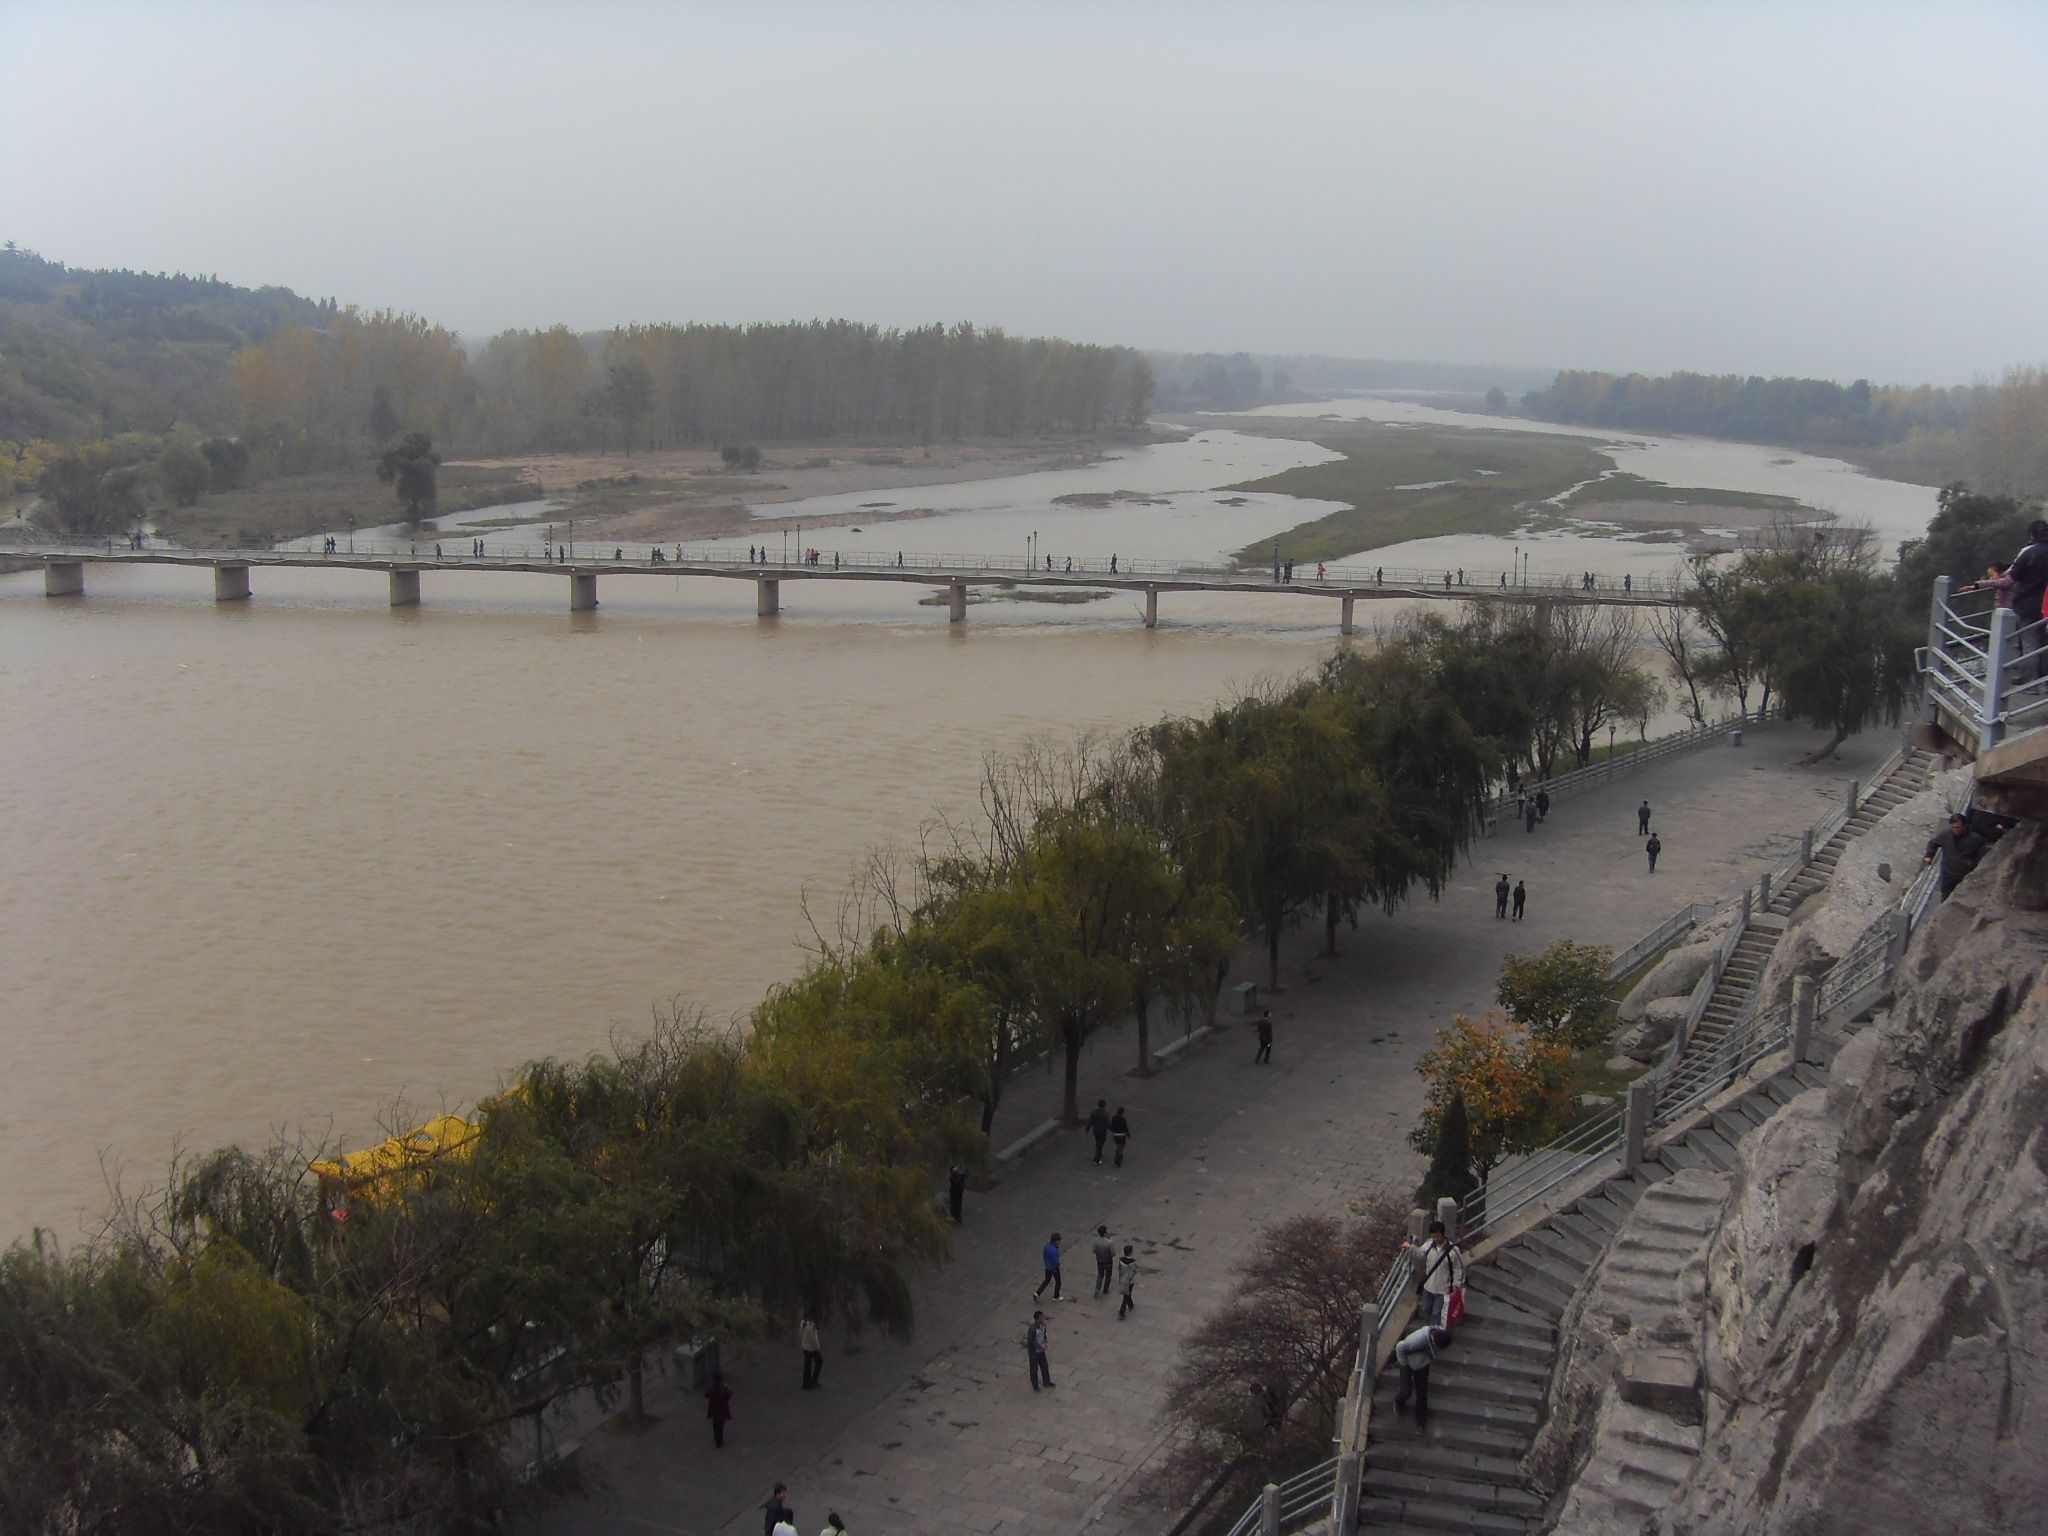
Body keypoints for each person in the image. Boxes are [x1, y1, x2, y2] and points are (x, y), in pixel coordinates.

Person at [2005, 520, 2048, 673]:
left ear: (2031, 535)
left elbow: (2014, 576)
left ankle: (2030, 680)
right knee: (2045, 644)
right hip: (2046, 605)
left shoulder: (2030, 553)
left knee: (2029, 644)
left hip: (2027, 604)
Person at [1403, 1221, 1464, 1327]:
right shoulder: (1429, 1245)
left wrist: (1456, 1284)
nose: (1435, 1239)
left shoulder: (1453, 1251)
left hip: (1443, 1289)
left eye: (1437, 1236)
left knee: (1436, 1313)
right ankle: (1433, 1327)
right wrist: (1411, 1248)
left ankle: (1433, 1331)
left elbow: (1458, 1269)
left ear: (1442, 1234)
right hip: (1428, 1287)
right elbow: (1420, 1254)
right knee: (1426, 1308)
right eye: (1433, 1236)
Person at [1393, 1324, 1451, 1429]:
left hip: (1423, 1365)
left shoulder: (1440, 1332)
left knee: (1422, 1393)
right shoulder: (1417, 1339)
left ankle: (1421, 1421)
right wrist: (1404, 1365)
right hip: (1408, 1364)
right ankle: (1399, 1401)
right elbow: (1399, 1347)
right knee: (1406, 1391)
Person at [1924, 812, 1989, 899]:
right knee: (1945, 897)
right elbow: (1933, 843)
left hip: (1964, 875)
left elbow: (1984, 852)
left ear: (1964, 826)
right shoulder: (1945, 835)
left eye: (1958, 827)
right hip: (1948, 874)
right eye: (1953, 827)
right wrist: (1929, 855)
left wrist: (1974, 864)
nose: (1955, 830)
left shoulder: (1975, 839)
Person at [1025, 1310, 1054, 1390]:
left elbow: (1044, 1334)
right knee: (1034, 1369)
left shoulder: (1043, 1324)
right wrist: (1040, 1346)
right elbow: (1031, 1341)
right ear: (1037, 1319)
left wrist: (1045, 1342)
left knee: (1045, 1366)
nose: (1043, 1318)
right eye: (1041, 1317)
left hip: (1041, 1350)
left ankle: (1046, 1382)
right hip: (1034, 1352)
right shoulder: (1032, 1329)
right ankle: (1035, 1385)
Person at [706, 1370, 733, 1449]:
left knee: (715, 1425)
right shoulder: (723, 1389)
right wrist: (726, 1387)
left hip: (714, 1410)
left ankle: (716, 1438)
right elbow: (729, 1395)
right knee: (720, 1426)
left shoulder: (711, 1388)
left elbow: (706, 1395)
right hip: (722, 1410)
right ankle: (719, 1441)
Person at [1035, 1233, 1064, 1301]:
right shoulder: (1054, 1250)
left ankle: (1037, 1293)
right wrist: (1058, 1264)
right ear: (1055, 1241)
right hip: (1054, 1268)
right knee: (1058, 1282)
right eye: (1059, 1241)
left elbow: (1044, 1254)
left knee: (1047, 1280)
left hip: (1047, 1267)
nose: (1060, 1242)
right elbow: (1055, 1261)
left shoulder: (1047, 1246)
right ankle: (1056, 1296)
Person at [799, 1315, 823, 1389]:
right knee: (819, 1361)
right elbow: (814, 1339)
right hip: (812, 1348)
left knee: (807, 1365)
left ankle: (806, 1383)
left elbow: (800, 1334)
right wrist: (818, 1347)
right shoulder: (812, 1325)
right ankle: (813, 1380)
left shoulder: (803, 1322)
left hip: (805, 1347)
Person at [1092, 1225, 1116, 1297]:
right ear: (1105, 1233)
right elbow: (1113, 1253)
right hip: (1108, 1261)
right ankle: (1105, 1289)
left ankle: (1097, 1288)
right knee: (1108, 1275)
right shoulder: (1109, 1242)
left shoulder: (1096, 1241)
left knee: (1100, 1275)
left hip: (1099, 1260)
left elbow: (1094, 1250)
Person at [1087, 1099, 1110, 1164]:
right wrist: (1113, 1129)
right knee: (1099, 1144)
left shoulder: (1094, 1112)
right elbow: (1108, 1123)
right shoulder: (1105, 1113)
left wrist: (1087, 1129)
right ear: (1104, 1105)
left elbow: (1090, 1121)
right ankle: (1097, 1159)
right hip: (1102, 1131)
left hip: (1096, 1130)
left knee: (1098, 1142)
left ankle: (1099, 1152)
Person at [1117, 1244, 1137, 1319]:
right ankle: (1121, 1312)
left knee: (1127, 1294)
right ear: (1130, 1253)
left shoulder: (1121, 1260)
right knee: (1126, 1296)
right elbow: (1134, 1271)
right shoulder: (1133, 1262)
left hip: (1122, 1280)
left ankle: (1130, 1304)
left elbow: (1119, 1269)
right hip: (1129, 1281)